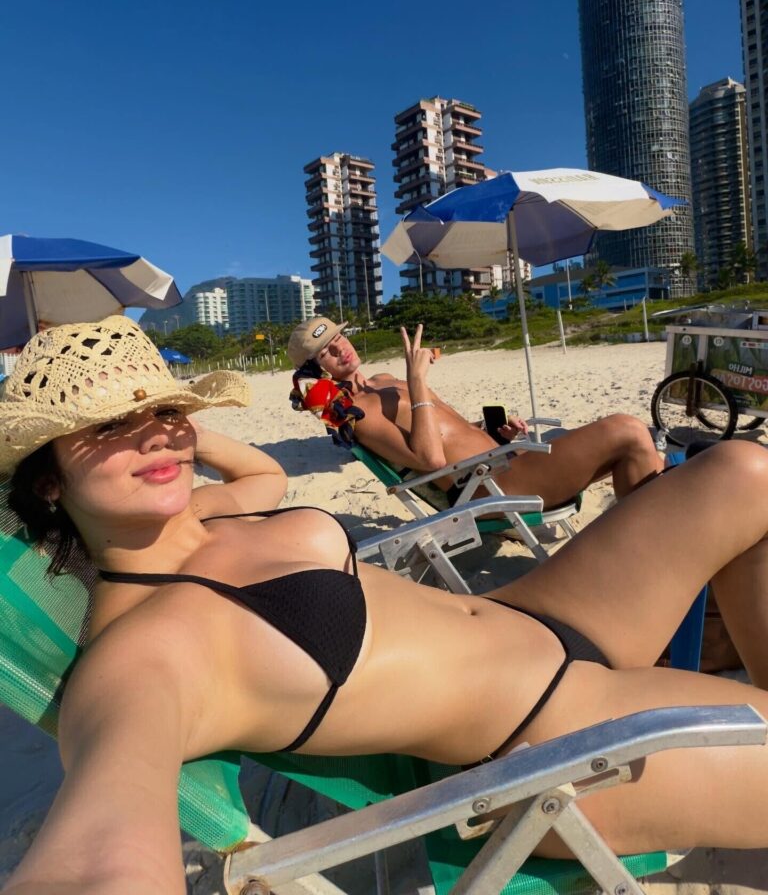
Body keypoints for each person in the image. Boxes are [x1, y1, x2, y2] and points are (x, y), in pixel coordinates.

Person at [5, 315, 768, 895]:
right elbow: (102, 844)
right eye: (110, 426)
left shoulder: (202, 514)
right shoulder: (141, 651)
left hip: (538, 611)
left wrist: (175, 432)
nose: (156, 436)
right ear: (46, 480)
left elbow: (266, 476)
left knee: (741, 471)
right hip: (553, 738)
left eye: (165, 411)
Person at [287, 317, 663, 507]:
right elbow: (430, 459)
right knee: (628, 430)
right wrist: (416, 380)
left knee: (636, 450)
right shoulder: (359, 415)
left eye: (339, 337)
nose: (341, 348)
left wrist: (494, 431)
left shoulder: (384, 379)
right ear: (317, 370)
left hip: (507, 460)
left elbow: (448, 429)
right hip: (493, 487)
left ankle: (649, 549)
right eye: (327, 351)